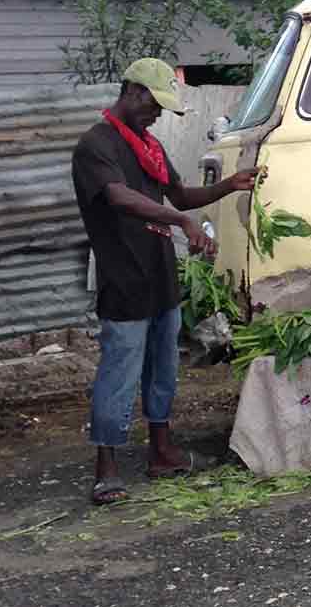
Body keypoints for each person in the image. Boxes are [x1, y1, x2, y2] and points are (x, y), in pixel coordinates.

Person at [72, 58, 259, 505]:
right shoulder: (95, 147)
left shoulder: (148, 147)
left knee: (163, 372)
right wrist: (180, 221)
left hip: (159, 274)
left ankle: (162, 452)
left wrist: (231, 184)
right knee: (119, 373)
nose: (158, 115)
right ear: (134, 92)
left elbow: (180, 195)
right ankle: (106, 468)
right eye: (155, 105)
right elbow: (120, 198)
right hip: (123, 278)